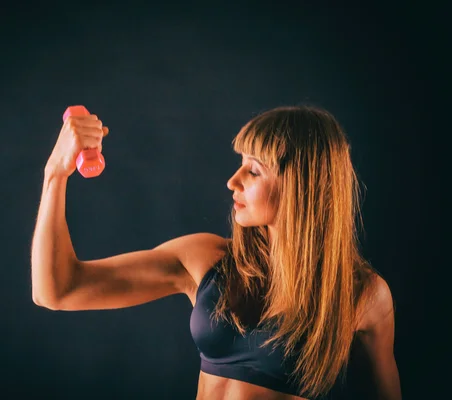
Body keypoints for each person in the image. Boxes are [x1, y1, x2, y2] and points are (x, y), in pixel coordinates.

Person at [30, 105, 402, 400]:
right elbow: (57, 290)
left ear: (301, 186)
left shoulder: (363, 295)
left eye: (253, 172)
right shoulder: (207, 260)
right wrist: (54, 174)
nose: (232, 181)